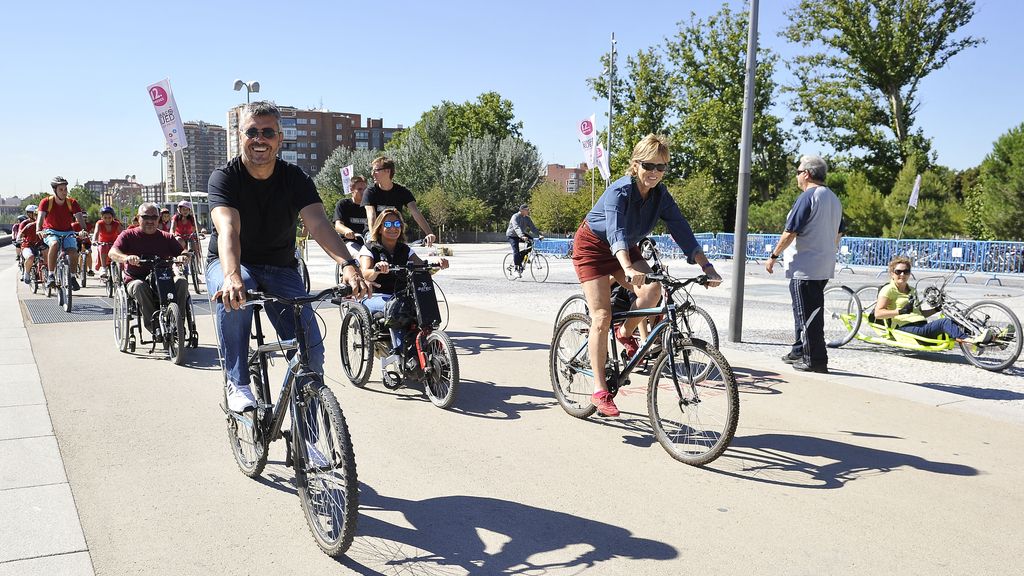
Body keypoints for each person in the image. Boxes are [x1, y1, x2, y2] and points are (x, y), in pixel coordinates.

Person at [207, 100, 370, 412]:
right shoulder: (225, 177)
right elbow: (228, 228)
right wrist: (231, 276)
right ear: (240, 136)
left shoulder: (295, 178)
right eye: (251, 131)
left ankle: (308, 439)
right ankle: (237, 381)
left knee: (309, 351)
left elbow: (319, 224)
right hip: (232, 263)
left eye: (268, 132)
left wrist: (348, 264)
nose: (259, 138)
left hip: (281, 268)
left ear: (280, 138)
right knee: (235, 300)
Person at [572, 134, 722, 417]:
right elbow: (615, 230)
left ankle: (624, 332)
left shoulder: (660, 196)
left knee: (653, 290)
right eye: (649, 166)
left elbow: (682, 229)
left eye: (661, 167)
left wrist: (706, 266)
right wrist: (627, 268)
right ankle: (600, 388)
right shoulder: (620, 191)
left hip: (626, 247)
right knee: (601, 316)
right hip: (593, 248)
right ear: (635, 164)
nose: (654, 173)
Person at [765, 155, 845, 374]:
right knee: (807, 310)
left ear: (807, 174)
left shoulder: (809, 196)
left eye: (798, 172)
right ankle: (800, 349)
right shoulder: (832, 198)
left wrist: (773, 255)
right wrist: (826, 248)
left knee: (807, 314)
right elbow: (840, 230)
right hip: (822, 265)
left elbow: (791, 232)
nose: (797, 176)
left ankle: (815, 360)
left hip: (805, 267)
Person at [358, 209, 448, 381]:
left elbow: (422, 269)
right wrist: (377, 269)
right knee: (397, 308)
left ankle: (428, 350)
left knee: (422, 306)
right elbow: (365, 273)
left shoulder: (405, 249)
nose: (393, 228)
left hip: (400, 296)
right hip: (374, 297)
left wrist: (437, 265)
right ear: (379, 227)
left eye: (397, 224)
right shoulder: (369, 248)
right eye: (388, 224)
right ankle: (399, 356)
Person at [107, 203, 190, 339]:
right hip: (136, 278)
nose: (150, 221)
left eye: (154, 217)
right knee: (140, 286)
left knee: (181, 281)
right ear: (138, 218)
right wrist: (126, 258)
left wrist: (183, 256)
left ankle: (178, 324)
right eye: (146, 217)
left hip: (163, 278)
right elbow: (112, 253)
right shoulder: (128, 235)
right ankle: (154, 327)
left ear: (159, 219)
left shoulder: (166, 237)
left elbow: (184, 252)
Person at [873, 256, 994, 344]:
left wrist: (936, 309)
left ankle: (992, 336)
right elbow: (878, 314)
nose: (902, 275)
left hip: (920, 326)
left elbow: (920, 313)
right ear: (892, 273)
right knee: (944, 323)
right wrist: (900, 311)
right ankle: (970, 340)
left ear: (910, 274)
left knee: (955, 319)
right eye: (898, 272)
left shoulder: (912, 290)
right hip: (904, 328)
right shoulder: (888, 290)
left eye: (906, 271)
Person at [362, 156, 436, 246]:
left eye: (376, 170)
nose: (372, 174)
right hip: (374, 232)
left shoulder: (402, 192)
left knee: (404, 254)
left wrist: (429, 233)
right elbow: (371, 216)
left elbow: (416, 213)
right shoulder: (370, 192)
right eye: (372, 170)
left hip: (394, 232)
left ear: (387, 171)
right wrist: (374, 238)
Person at [36, 176, 88, 290]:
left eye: (65, 189)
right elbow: (40, 218)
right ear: (55, 190)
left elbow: (80, 218)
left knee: (74, 253)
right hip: (51, 231)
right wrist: (39, 230)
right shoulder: (46, 202)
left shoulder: (72, 203)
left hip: (68, 231)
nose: (64, 192)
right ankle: (51, 275)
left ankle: (73, 277)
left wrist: (83, 230)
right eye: (61, 189)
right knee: (54, 244)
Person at [506, 204, 542, 279]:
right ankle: (516, 269)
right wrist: (522, 236)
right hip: (512, 235)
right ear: (522, 210)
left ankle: (521, 258)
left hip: (521, 234)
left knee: (531, 241)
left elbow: (533, 228)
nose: (528, 211)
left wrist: (539, 235)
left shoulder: (527, 218)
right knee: (516, 250)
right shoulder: (515, 216)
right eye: (527, 210)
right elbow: (516, 227)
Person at [334, 174, 369, 250]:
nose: (363, 192)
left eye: (365, 189)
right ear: (351, 189)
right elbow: (338, 225)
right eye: (360, 189)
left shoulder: (370, 207)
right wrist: (346, 230)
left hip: (368, 242)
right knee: (356, 254)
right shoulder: (343, 204)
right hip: (349, 242)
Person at [92, 206, 123, 278]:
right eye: (105, 218)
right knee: (103, 247)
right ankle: (103, 268)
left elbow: (123, 234)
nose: (107, 220)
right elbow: (96, 233)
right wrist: (94, 240)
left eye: (109, 217)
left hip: (114, 243)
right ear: (102, 217)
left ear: (113, 217)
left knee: (120, 251)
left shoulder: (116, 224)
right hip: (103, 243)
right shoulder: (99, 223)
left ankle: (120, 269)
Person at [15, 205, 41, 284]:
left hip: (39, 245)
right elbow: (20, 233)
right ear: (30, 214)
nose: (37, 216)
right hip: (27, 245)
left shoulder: (42, 223)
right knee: (30, 257)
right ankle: (26, 273)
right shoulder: (25, 224)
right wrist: (19, 239)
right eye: (35, 214)